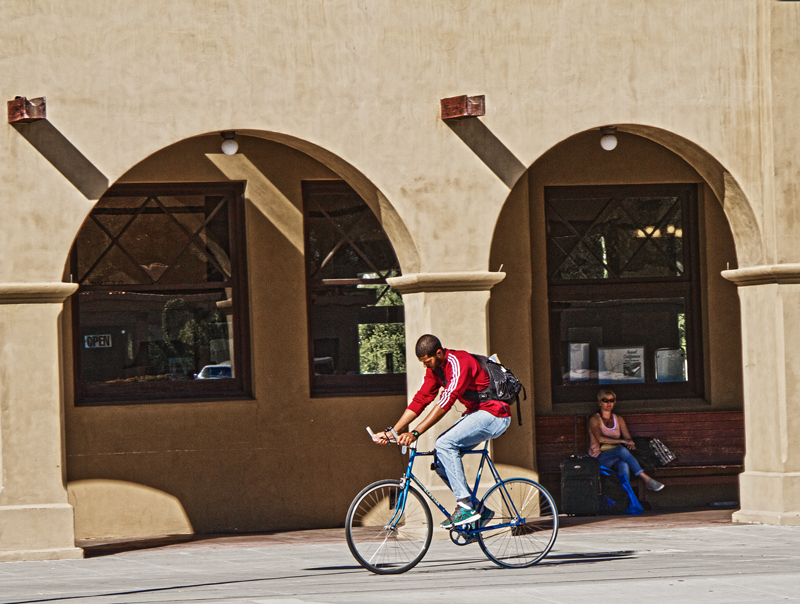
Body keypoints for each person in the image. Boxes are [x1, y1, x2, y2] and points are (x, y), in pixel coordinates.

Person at [373, 334, 511, 528]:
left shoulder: (460, 362)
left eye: (427, 361)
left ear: (439, 353)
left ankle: (465, 505)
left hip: (495, 414)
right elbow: (421, 399)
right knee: (440, 461)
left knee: (444, 443)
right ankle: (479, 511)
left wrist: (415, 433)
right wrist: (393, 432)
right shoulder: (435, 370)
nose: (424, 366)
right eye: (422, 362)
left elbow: (447, 400)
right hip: (476, 413)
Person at [588, 389, 665, 492]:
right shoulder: (594, 419)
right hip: (598, 458)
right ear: (600, 403)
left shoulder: (618, 419)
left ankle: (626, 496)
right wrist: (623, 441)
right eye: (605, 400)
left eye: (611, 400)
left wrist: (630, 443)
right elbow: (600, 438)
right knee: (620, 450)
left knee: (623, 464)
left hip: (616, 457)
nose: (609, 403)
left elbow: (629, 439)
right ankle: (646, 478)